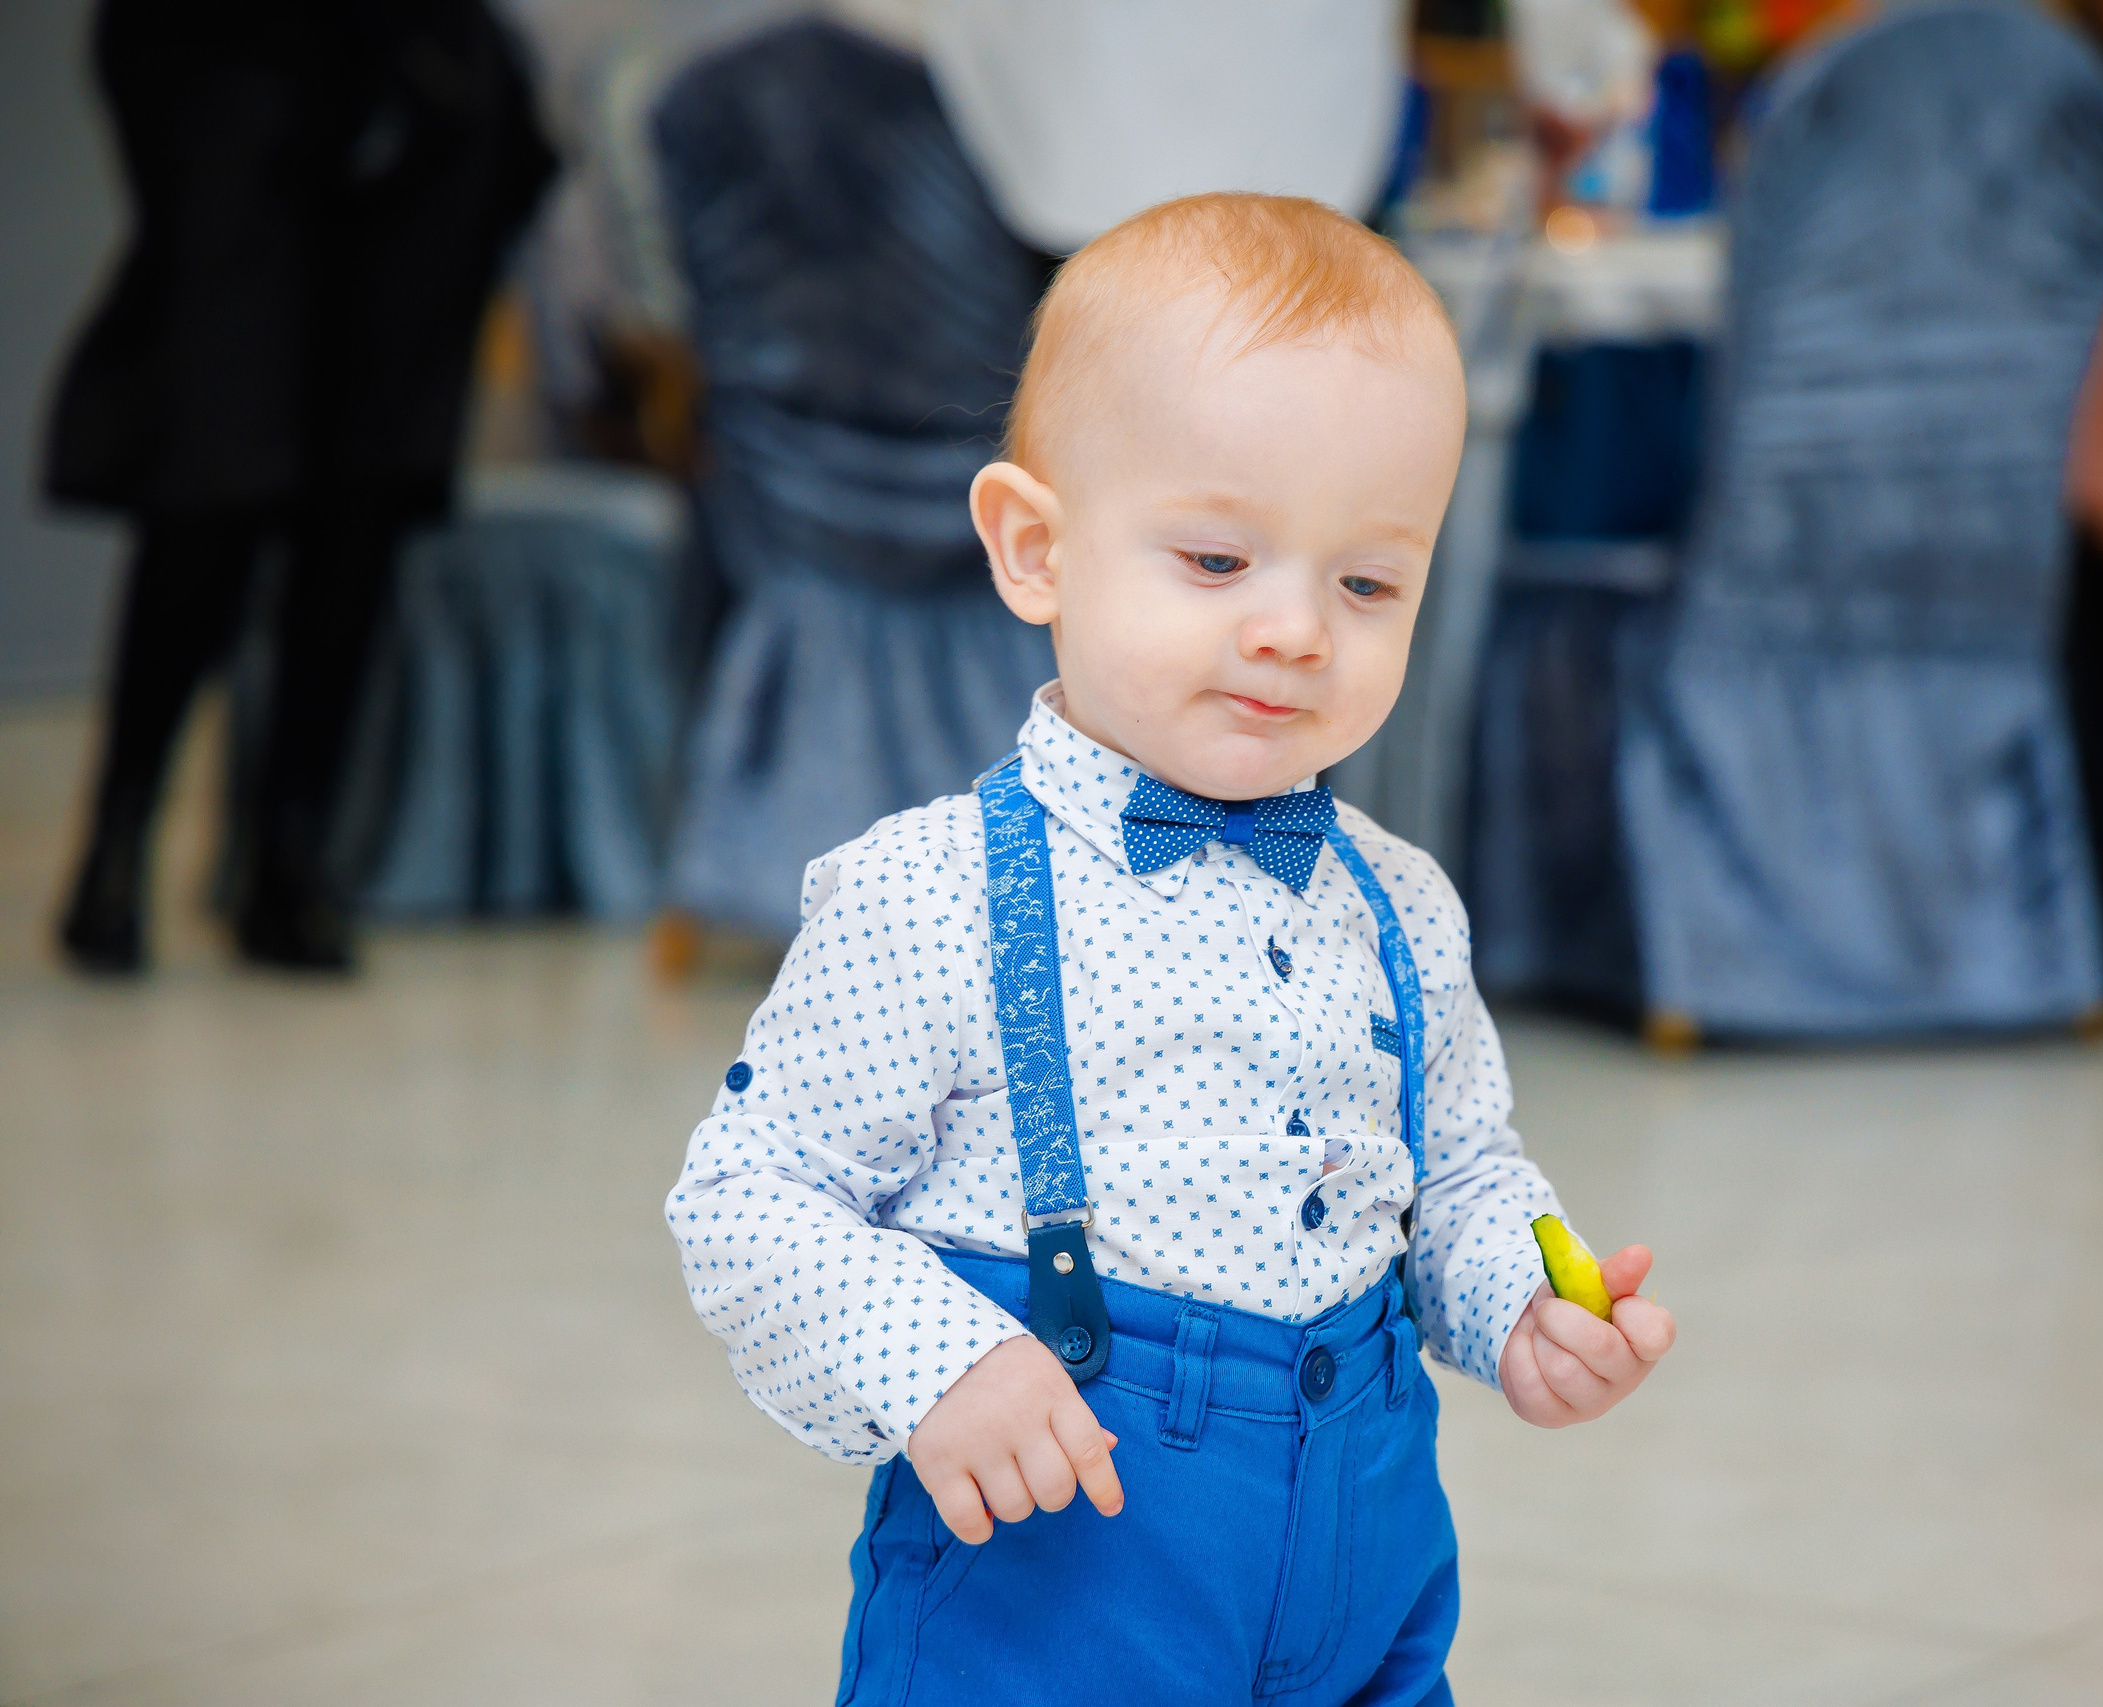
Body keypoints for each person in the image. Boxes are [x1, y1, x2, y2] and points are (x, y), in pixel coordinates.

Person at [666, 195, 1677, 1704]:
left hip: (1367, 1539)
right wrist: (941, 1358)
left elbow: (1459, 1171)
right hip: (1067, 1558)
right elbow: (749, 1200)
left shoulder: (1403, 902)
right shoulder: (927, 895)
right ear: (1034, 549)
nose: (1295, 630)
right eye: (1216, 559)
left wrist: (1522, 1297)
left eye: (1367, 582)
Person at [45, 0, 555, 973]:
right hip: (245, 140)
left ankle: (291, 858)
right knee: (205, 513)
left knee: (352, 541)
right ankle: (116, 844)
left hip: (411, 167)